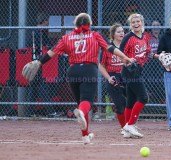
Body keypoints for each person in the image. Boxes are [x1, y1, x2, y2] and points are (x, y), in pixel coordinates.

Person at [22, 13, 134, 144]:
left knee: (81, 103)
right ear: (90, 24)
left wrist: (39, 62)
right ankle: (81, 114)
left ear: (75, 24)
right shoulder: (95, 35)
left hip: (73, 71)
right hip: (89, 70)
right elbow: (110, 48)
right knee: (85, 103)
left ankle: (85, 136)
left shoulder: (67, 37)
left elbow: (51, 53)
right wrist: (125, 58)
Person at [120, 13, 161, 138]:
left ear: (142, 22)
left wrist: (157, 56)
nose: (136, 24)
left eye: (138, 21)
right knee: (143, 98)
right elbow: (120, 54)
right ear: (130, 24)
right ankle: (130, 125)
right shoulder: (128, 37)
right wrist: (127, 60)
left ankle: (126, 129)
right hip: (129, 71)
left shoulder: (145, 36)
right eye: (133, 22)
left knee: (131, 101)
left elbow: (147, 52)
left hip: (138, 70)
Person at [98, 23, 127, 134]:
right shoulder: (108, 48)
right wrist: (109, 78)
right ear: (113, 34)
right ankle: (124, 127)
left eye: (122, 31)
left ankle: (130, 125)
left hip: (127, 77)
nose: (121, 33)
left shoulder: (126, 45)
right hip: (113, 77)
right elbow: (101, 65)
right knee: (119, 105)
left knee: (131, 102)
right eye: (118, 32)